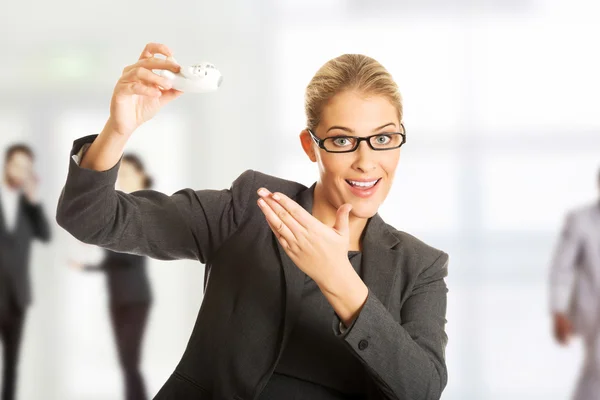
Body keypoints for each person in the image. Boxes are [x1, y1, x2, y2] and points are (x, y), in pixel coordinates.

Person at [56, 42, 449, 400]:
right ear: (311, 146)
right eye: (342, 140)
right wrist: (118, 129)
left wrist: (339, 279)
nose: (365, 161)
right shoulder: (249, 208)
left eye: (382, 138)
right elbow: (90, 217)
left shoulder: (419, 266)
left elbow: (422, 389)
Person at [70, 153, 154, 400]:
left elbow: (130, 257)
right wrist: (87, 264)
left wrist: (99, 240)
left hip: (135, 297)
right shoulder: (121, 208)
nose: (122, 179)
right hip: (117, 296)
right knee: (125, 362)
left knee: (130, 362)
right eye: (120, 174)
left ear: (141, 176)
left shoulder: (144, 208)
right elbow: (113, 261)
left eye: (127, 173)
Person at [0, 144, 51, 400]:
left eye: (26, 168)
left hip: (17, 298)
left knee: (11, 366)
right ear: (7, 165)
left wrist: (34, 201)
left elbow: (45, 235)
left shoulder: (28, 206)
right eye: (18, 165)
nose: (21, 172)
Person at [550, 168, 600, 400]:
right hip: (592, 310)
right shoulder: (581, 221)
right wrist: (559, 311)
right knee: (596, 368)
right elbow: (562, 268)